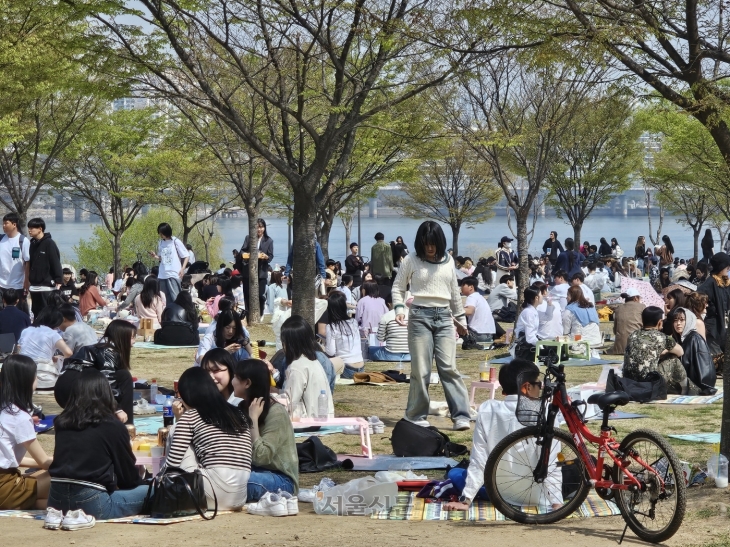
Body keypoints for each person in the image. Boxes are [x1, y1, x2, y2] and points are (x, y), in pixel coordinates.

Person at [443, 359, 560, 511]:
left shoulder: (487, 409)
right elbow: (551, 462)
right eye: (538, 383)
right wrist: (557, 503)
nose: (541, 387)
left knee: (455, 473)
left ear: (504, 391)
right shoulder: (546, 411)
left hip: (500, 494)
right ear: (527, 387)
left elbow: (479, 460)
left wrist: (466, 500)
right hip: (539, 496)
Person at [392, 221, 471, 431]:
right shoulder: (411, 260)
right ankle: (416, 415)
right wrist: (400, 310)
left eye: (433, 243)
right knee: (421, 369)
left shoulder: (448, 261)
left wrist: (461, 321)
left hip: (445, 318)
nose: (430, 248)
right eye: (426, 243)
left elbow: (454, 293)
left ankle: (461, 415)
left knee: (448, 367)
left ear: (440, 243)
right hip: (419, 317)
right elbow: (398, 288)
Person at [46, 368, 146, 524]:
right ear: (105, 393)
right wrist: (143, 480)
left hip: (55, 499)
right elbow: (128, 478)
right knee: (152, 492)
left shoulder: (61, 422)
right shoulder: (112, 426)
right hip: (92, 500)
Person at [168, 367, 252, 511]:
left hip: (212, 494)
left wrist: (158, 482)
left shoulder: (191, 416)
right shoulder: (238, 414)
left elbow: (172, 465)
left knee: (173, 430)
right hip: (240, 497)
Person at [232, 359, 298, 503]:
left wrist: (253, 420)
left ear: (247, 383)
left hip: (281, 480)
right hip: (252, 471)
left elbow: (262, 457)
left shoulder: (276, 413)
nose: (232, 381)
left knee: (239, 482)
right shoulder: (242, 407)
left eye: (236, 377)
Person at [55, 319, 137, 424]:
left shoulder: (98, 347)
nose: (134, 341)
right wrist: (118, 409)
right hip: (74, 392)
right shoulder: (108, 351)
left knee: (120, 375)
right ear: (122, 337)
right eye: (132, 337)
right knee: (124, 375)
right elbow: (109, 382)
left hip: (63, 390)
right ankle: (126, 426)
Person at [0, 355, 52, 510]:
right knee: (66, 476)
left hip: (6, 482)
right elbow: (44, 462)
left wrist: (47, 462)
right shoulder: (19, 417)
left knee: (47, 500)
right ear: (28, 381)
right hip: (5, 485)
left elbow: (9, 457)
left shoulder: (5, 410)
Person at [623, 306, 695, 395]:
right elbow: (680, 352)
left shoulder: (632, 335)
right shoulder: (661, 337)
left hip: (629, 382)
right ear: (660, 322)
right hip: (649, 383)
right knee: (673, 358)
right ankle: (686, 389)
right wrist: (666, 352)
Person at [280, 315, 334, 418]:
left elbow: (289, 402)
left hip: (308, 422)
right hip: (324, 418)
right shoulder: (314, 361)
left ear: (289, 343)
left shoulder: (296, 366)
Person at [18, 308, 73, 389]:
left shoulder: (26, 331)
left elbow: (19, 347)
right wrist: (60, 357)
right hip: (44, 378)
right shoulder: (52, 334)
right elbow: (68, 353)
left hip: (22, 374)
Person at [668, 307, 716, 394]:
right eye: (675, 320)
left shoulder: (694, 338)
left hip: (696, 382)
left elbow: (701, 366)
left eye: (682, 320)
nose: (678, 323)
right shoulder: (678, 337)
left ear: (689, 321)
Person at [27, 217, 63, 317]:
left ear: (40, 229)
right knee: (36, 313)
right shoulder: (32, 244)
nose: (29, 230)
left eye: (32, 228)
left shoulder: (49, 243)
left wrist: (58, 280)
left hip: (46, 287)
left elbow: (55, 262)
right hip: (34, 287)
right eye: (28, 228)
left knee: (46, 314)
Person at [238, 218, 274, 316]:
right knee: (247, 294)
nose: (259, 229)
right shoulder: (248, 238)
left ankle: (260, 313)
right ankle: (249, 314)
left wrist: (266, 257)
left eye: (261, 227)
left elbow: (270, 256)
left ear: (264, 228)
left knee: (260, 295)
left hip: (262, 272)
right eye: (257, 227)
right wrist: (247, 255)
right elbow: (242, 251)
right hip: (248, 271)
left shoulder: (269, 240)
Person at [324, 291, 364, 378]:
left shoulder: (331, 326)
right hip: (361, 367)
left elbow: (331, 352)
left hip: (346, 368)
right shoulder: (353, 322)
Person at [698, 252, 730, 358]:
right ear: (720, 267)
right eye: (727, 266)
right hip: (714, 326)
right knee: (717, 357)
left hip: (725, 325)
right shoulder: (710, 283)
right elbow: (699, 297)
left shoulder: (726, 282)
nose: (729, 268)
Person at [149, 222, 189, 304]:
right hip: (163, 274)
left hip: (174, 273)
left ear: (166, 232)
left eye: (162, 233)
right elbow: (163, 258)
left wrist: (182, 268)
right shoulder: (160, 242)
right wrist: (155, 256)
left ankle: (177, 314)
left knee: (175, 297)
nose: (160, 235)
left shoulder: (175, 241)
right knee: (163, 299)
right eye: (159, 233)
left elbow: (186, 255)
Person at [0, 212, 30, 299]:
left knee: (16, 310)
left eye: (6, 223)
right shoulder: (1, 239)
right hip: (1, 284)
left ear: (14, 224)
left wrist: (26, 281)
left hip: (17, 285)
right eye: (3, 223)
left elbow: (27, 262)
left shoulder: (23, 241)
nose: (3, 226)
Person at [608, 288, 645, 354]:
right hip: (636, 347)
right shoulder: (642, 306)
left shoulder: (618, 308)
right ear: (636, 298)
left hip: (619, 348)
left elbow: (615, 330)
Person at [461, 277, 498, 343]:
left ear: (471, 287)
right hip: (489, 335)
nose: (461, 288)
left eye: (463, 285)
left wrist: (454, 310)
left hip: (477, 334)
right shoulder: (480, 297)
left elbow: (469, 311)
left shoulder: (471, 297)